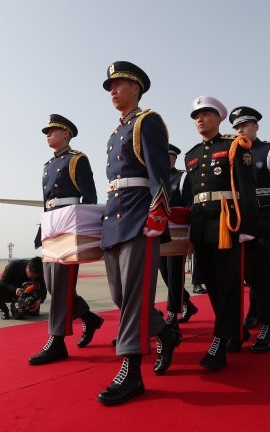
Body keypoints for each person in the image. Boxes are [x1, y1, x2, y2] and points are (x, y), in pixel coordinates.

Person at [97, 61, 180, 406]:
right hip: (114, 218)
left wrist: (157, 215)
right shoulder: (116, 132)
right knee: (121, 295)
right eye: (111, 87)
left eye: (118, 84)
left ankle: (131, 372)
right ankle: (165, 332)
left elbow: (160, 173)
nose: (113, 91)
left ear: (136, 87)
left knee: (134, 298)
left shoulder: (148, 122)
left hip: (138, 216)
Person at [183, 96, 257, 367]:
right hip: (201, 224)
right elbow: (191, 196)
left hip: (227, 224)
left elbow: (247, 190)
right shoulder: (190, 155)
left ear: (219, 118)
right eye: (196, 116)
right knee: (211, 283)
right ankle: (234, 330)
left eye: (205, 114)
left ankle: (219, 339)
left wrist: (247, 227)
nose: (200, 119)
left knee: (228, 283)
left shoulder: (234, 146)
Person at [28, 114, 104, 366]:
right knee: (53, 284)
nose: (48, 135)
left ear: (66, 134)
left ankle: (57, 340)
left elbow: (89, 197)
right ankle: (90, 319)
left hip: (69, 223)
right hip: (51, 224)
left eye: (52, 130)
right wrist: (42, 229)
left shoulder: (77, 159)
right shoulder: (47, 165)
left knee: (61, 285)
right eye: (47, 131)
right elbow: (45, 200)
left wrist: (83, 230)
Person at [230, 105, 270, 352]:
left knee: (268, 273)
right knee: (249, 272)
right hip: (242, 219)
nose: (240, 130)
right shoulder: (233, 153)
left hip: (267, 217)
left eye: (244, 125)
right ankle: (265, 309)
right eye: (236, 127)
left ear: (256, 126)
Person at [158, 144, 198, 330]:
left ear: (174, 158)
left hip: (177, 234)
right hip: (159, 232)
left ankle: (172, 313)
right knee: (165, 274)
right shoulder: (155, 179)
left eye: (169, 157)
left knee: (175, 274)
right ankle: (187, 303)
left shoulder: (182, 177)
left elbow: (192, 205)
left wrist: (191, 234)